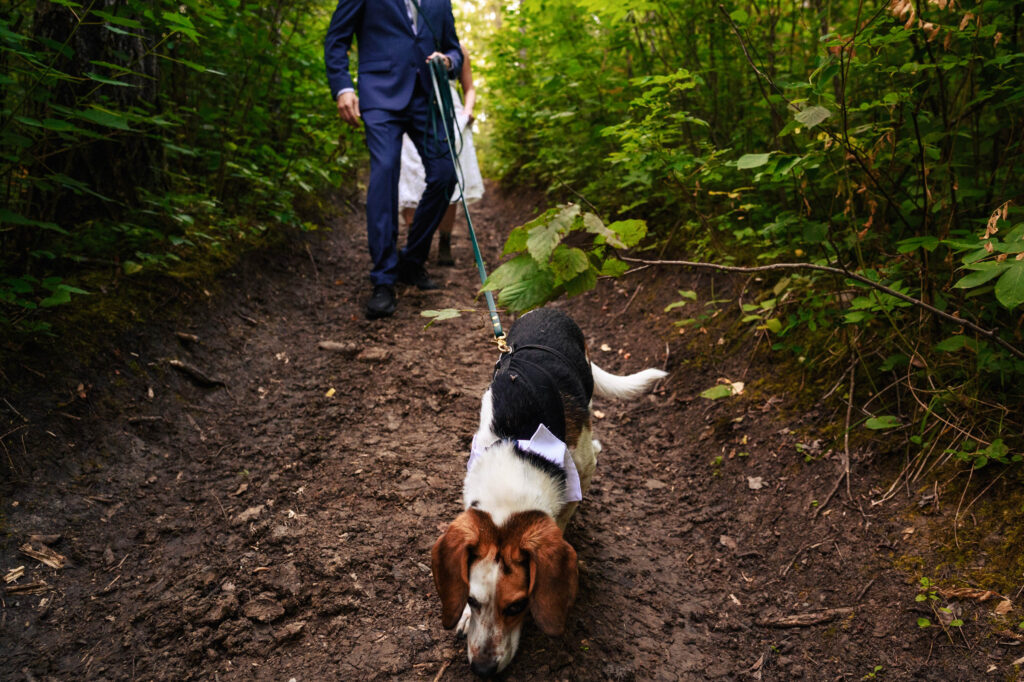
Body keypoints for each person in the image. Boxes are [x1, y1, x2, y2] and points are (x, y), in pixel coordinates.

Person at [324, 1, 463, 319]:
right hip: (380, 95)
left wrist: (448, 61)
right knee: (386, 171)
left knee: (445, 174)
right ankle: (383, 279)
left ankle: (412, 261)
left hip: (426, 97)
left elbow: (454, 50)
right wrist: (343, 87)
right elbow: (336, 39)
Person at [399, 44, 484, 267]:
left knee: (448, 180)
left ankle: (444, 241)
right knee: (411, 176)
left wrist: (467, 110)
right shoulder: (408, 43)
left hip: (449, 114)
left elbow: (469, 88)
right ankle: (416, 242)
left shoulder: (459, 51)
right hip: (412, 111)